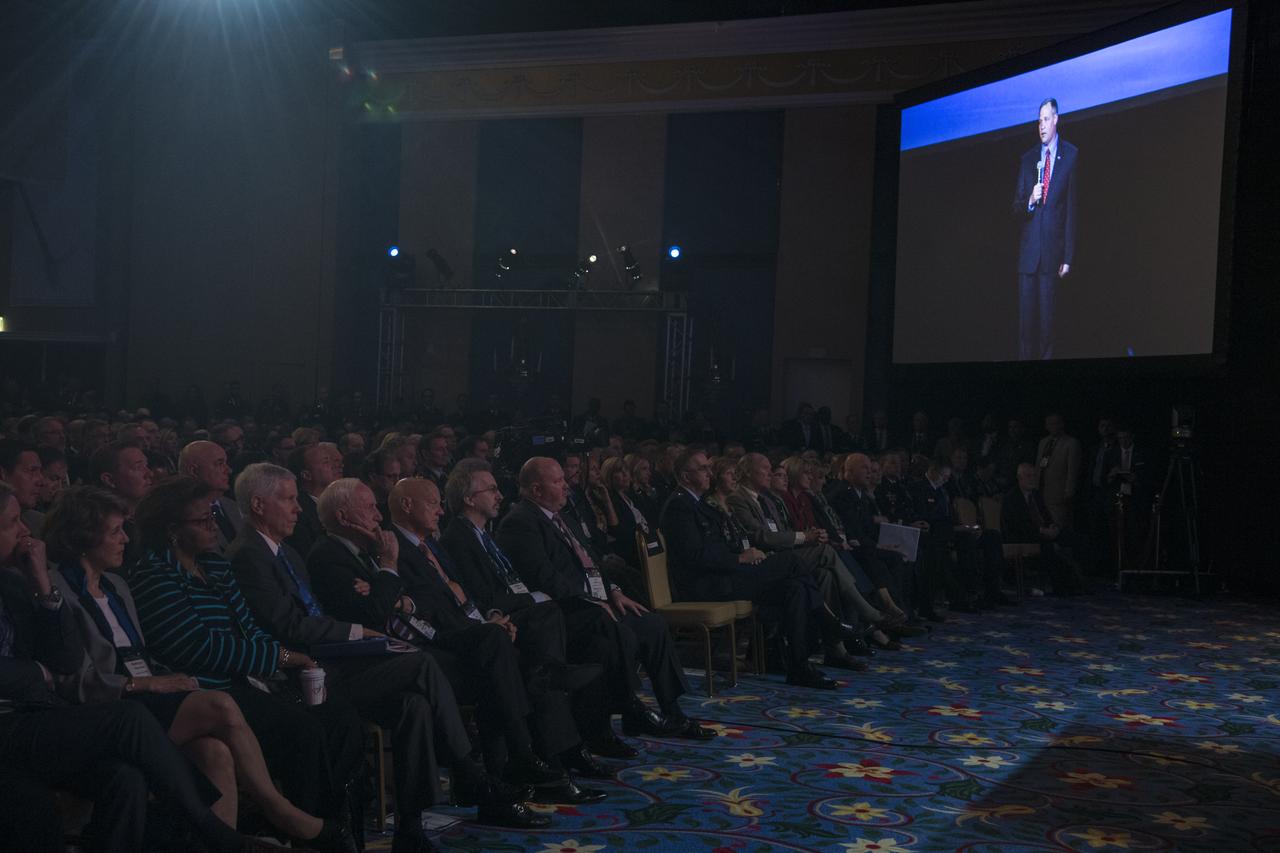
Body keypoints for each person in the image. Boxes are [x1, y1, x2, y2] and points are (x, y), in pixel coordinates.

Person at [227, 467, 544, 842]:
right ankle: (471, 772)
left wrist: (382, 588)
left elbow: (383, 604)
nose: (299, 508)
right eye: (289, 499)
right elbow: (292, 626)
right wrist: (365, 613)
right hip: (302, 673)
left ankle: (410, 829)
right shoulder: (257, 555)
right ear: (259, 505)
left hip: (337, 660)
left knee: (415, 706)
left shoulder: (290, 554)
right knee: (423, 663)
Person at [41, 485, 345, 850]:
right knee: (227, 706)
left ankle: (233, 842)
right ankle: (280, 811)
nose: (125, 539)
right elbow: (80, 672)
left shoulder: (118, 585)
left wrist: (277, 659)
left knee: (217, 752)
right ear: (84, 539)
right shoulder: (65, 589)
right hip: (113, 705)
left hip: (159, 691)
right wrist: (147, 684)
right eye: (115, 531)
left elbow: (239, 631)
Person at [0, 482, 278, 853]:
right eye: (13, 522)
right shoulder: (62, 583)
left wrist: (42, 587)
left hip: (44, 712)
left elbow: (63, 658)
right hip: (52, 712)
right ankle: (234, 830)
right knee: (179, 710)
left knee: (149, 770)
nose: (25, 531)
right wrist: (39, 673)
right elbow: (66, 672)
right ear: (85, 538)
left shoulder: (23, 584)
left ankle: (218, 839)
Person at [126, 476, 365, 834]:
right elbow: (196, 647)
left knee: (339, 716)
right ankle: (311, 832)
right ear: (173, 531)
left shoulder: (216, 566)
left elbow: (248, 628)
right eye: (202, 520)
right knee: (303, 731)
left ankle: (344, 824)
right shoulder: (154, 575)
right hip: (207, 686)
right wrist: (282, 658)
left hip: (249, 678)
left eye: (212, 516)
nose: (214, 526)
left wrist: (281, 660)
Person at [440, 460, 646, 764]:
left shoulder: (483, 534)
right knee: (570, 624)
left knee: (600, 644)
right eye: (492, 489)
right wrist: (530, 599)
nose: (500, 495)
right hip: (501, 622)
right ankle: (574, 728)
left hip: (526, 614)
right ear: (469, 498)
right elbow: (483, 596)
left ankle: (590, 734)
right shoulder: (458, 537)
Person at [497, 457, 714, 739]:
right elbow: (545, 577)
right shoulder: (520, 522)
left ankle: (673, 712)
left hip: (598, 602)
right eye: (558, 481)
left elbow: (594, 562)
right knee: (618, 633)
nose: (566, 486)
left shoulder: (564, 518)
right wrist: (592, 600)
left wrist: (613, 591)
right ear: (536, 490)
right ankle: (631, 707)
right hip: (567, 611)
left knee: (652, 624)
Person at [660, 450, 845, 688]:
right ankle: (828, 623)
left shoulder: (699, 504)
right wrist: (739, 558)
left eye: (708, 467)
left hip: (725, 576)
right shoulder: (679, 506)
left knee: (796, 587)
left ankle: (799, 666)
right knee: (791, 562)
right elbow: (694, 557)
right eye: (703, 469)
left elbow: (722, 543)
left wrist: (746, 553)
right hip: (707, 585)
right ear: (686, 476)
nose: (709, 473)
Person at [1015, 97, 1078, 360]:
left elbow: (1072, 209)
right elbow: (1016, 207)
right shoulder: (1028, 159)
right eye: (1038, 120)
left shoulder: (1071, 155)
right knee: (1026, 330)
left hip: (1052, 257)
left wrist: (1068, 256)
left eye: (1045, 119)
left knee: (1047, 330)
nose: (1041, 125)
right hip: (1029, 257)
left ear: (1056, 120)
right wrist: (1030, 199)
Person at [1001, 463, 1086, 595]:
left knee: (1073, 537)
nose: (1032, 479)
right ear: (1019, 478)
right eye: (1028, 476)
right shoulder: (1011, 498)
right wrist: (1042, 531)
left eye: (1033, 476)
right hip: (1024, 536)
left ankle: (1081, 581)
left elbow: (1046, 516)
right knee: (1047, 545)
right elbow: (1018, 526)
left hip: (1042, 532)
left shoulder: (1036, 495)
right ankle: (1061, 587)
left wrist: (1053, 527)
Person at [177, 440, 243, 550]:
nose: (229, 470)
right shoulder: (180, 515)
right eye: (220, 464)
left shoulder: (233, 506)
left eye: (226, 463)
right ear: (194, 471)